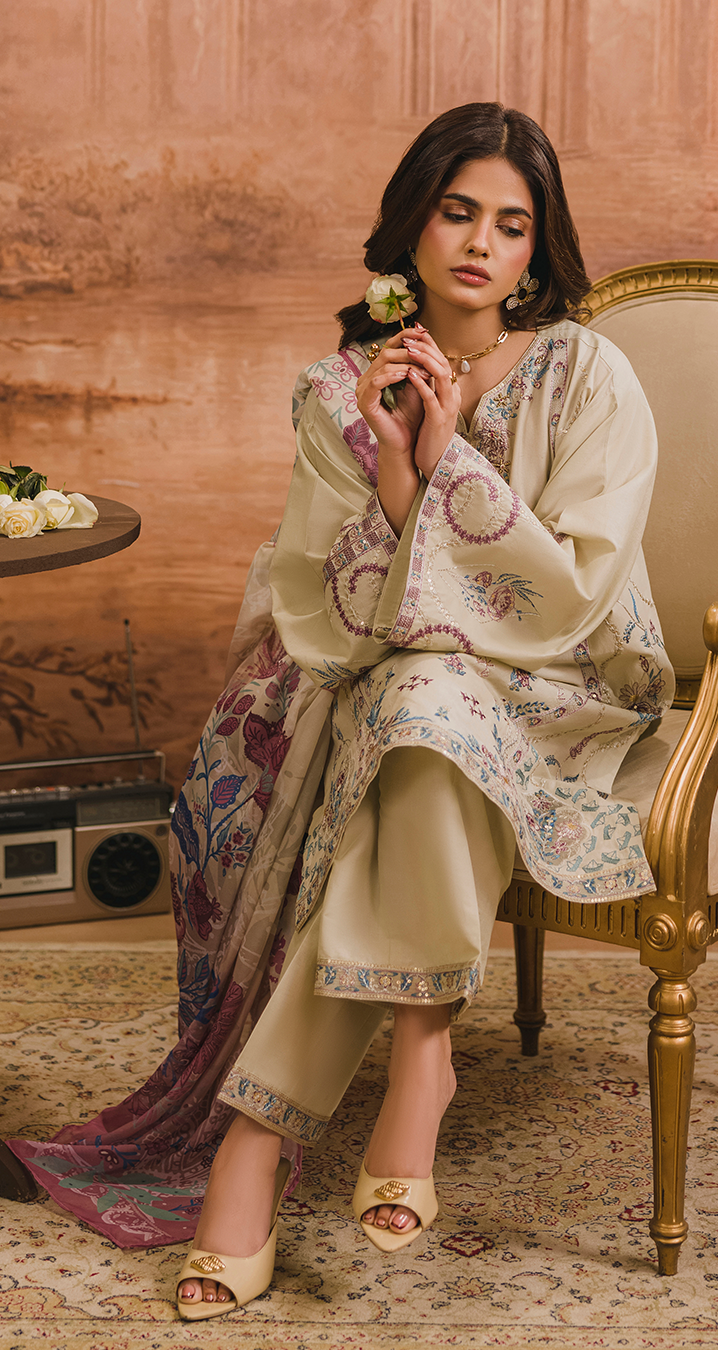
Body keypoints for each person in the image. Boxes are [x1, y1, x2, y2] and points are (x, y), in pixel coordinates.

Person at [7, 101, 672, 1317]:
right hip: (384, 677)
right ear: (411, 225)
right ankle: (424, 1050)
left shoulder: (589, 374)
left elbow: (574, 589)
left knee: (425, 710)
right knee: (417, 706)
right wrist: (397, 460)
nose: (481, 244)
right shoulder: (336, 391)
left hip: (559, 683)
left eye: (512, 224)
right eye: (458, 212)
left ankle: (258, 1141)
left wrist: (452, 458)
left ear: (539, 248)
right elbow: (326, 608)